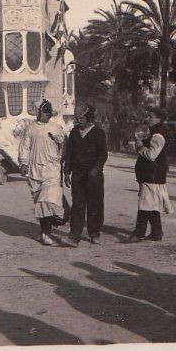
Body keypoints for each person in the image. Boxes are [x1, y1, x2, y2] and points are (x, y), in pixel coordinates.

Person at [19, 100, 68, 246]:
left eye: (49, 111)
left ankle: (47, 233)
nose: (47, 114)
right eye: (45, 111)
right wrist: (23, 163)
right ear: (39, 112)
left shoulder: (56, 127)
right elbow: (25, 147)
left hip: (51, 169)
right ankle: (44, 232)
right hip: (35, 170)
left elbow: (64, 145)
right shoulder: (31, 128)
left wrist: (61, 156)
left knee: (48, 200)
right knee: (39, 202)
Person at [63, 105, 108, 244]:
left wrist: (95, 169)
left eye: (81, 118)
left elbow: (103, 154)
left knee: (95, 205)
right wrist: (66, 172)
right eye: (77, 118)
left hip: (94, 177)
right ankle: (74, 235)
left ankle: (94, 233)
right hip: (78, 175)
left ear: (88, 118)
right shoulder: (74, 133)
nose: (78, 121)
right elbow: (69, 154)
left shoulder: (98, 133)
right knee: (77, 205)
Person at [127, 107, 173, 242]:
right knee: (152, 203)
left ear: (159, 118)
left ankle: (139, 233)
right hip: (151, 174)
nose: (148, 119)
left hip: (152, 174)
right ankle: (156, 233)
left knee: (144, 203)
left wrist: (141, 147)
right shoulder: (153, 132)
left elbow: (152, 155)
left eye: (151, 116)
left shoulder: (158, 135)